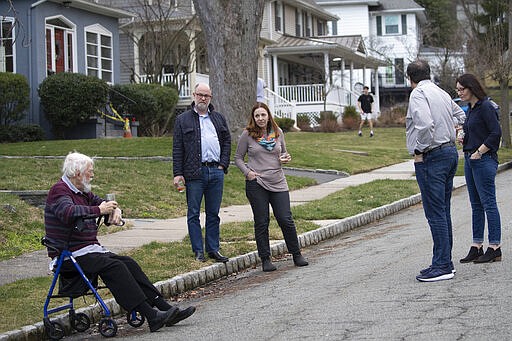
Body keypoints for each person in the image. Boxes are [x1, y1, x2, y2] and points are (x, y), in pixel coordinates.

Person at [44, 152, 196, 333]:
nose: (92, 175)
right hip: (69, 254)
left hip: (89, 250)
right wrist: (99, 209)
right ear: (77, 173)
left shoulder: (83, 191)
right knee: (115, 267)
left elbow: (103, 204)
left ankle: (164, 308)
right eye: (89, 172)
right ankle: (151, 315)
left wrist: (115, 211)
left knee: (128, 263)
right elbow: (68, 212)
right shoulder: (59, 190)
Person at [405, 60, 466, 282]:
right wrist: (458, 133)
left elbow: (425, 124)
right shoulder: (441, 92)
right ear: (428, 73)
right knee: (443, 210)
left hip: (432, 156)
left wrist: (420, 149)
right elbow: (461, 115)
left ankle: (442, 265)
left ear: (409, 77)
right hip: (449, 153)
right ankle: (444, 261)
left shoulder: (418, 94)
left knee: (435, 212)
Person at [234, 102, 308, 272]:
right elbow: (238, 158)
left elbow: (284, 153)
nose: (260, 118)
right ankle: (265, 258)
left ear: (268, 116)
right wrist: (248, 173)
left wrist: (286, 158)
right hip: (257, 183)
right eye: (257, 116)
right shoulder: (247, 135)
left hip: (278, 181)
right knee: (262, 221)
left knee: (285, 218)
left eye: (263, 115)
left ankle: (296, 254)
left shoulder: (278, 132)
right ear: (253, 118)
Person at [173, 83, 231, 263]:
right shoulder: (183, 120)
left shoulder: (219, 118)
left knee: (213, 213)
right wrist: (178, 173)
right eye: (200, 95)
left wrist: (223, 165)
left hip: (216, 171)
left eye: (206, 95)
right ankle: (198, 251)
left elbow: (227, 141)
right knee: (194, 213)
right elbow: (177, 148)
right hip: (194, 173)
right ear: (194, 95)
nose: (203, 98)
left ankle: (213, 249)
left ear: (210, 98)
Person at [456, 73, 502, 264]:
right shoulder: (471, 109)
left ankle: (495, 247)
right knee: (476, 205)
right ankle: (477, 246)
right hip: (470, 159)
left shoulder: (485, 107)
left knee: (488, 203)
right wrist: (463, 137)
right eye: (457, 89)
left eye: (461, 89)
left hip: (483, 159)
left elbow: (495, 133)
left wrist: (480, 152)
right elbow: (475, 132)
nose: (459, 93)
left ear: (471, 88)